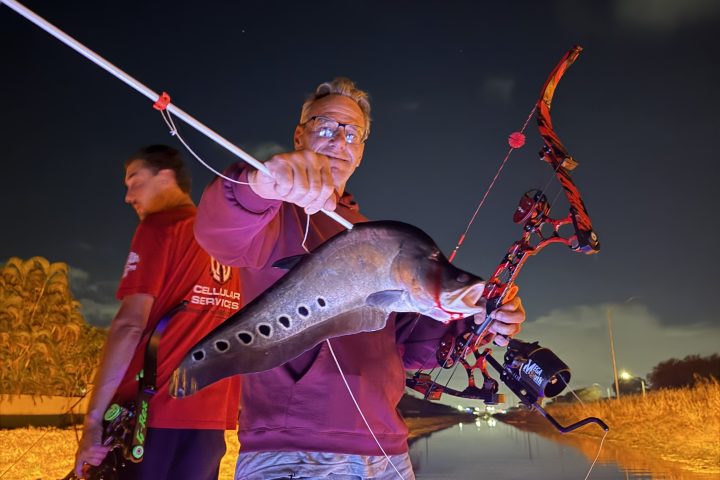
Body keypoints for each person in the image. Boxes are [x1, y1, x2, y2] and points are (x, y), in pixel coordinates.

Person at [194, 78, 525, 480]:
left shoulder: (374, 236)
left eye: (352, 133)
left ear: (362, 150)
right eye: (326, 126)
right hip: (294, 453)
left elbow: (408, 347)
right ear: (300, 134)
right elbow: (218, 233)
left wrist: (477, 321)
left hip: (386, 451)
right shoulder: (272, 211)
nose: (339, 140)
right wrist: (260, 183)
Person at [74, 145, 242, 480]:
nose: (128, 196)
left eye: (135, 181)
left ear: (165, 178)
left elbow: (129, 325)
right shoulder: (231, 244)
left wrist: (92, 419)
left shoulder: (161, 227)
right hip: (210, 422)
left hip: (151, 418)